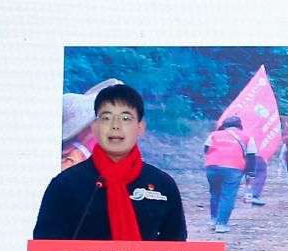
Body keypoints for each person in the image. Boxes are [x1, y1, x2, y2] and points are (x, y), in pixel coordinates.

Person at [33, 83, 187, 241]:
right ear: (94, 127)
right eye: (106, 118)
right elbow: (46, 248)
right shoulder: (65, 185)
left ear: (140, 127)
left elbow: (176, 246)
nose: (115, 126)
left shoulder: (163, 185)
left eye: (126, 118)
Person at [201, 114, 248, 234]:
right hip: (233, 168)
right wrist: (250, 172)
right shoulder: (246, 136)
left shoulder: (214, 134)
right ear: (240, 126)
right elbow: (251, 155)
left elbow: (206, 149)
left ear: (224, 126)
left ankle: (213, 219)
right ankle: (221, 224)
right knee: (227, 195)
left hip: (212, 167)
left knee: (215, 193)